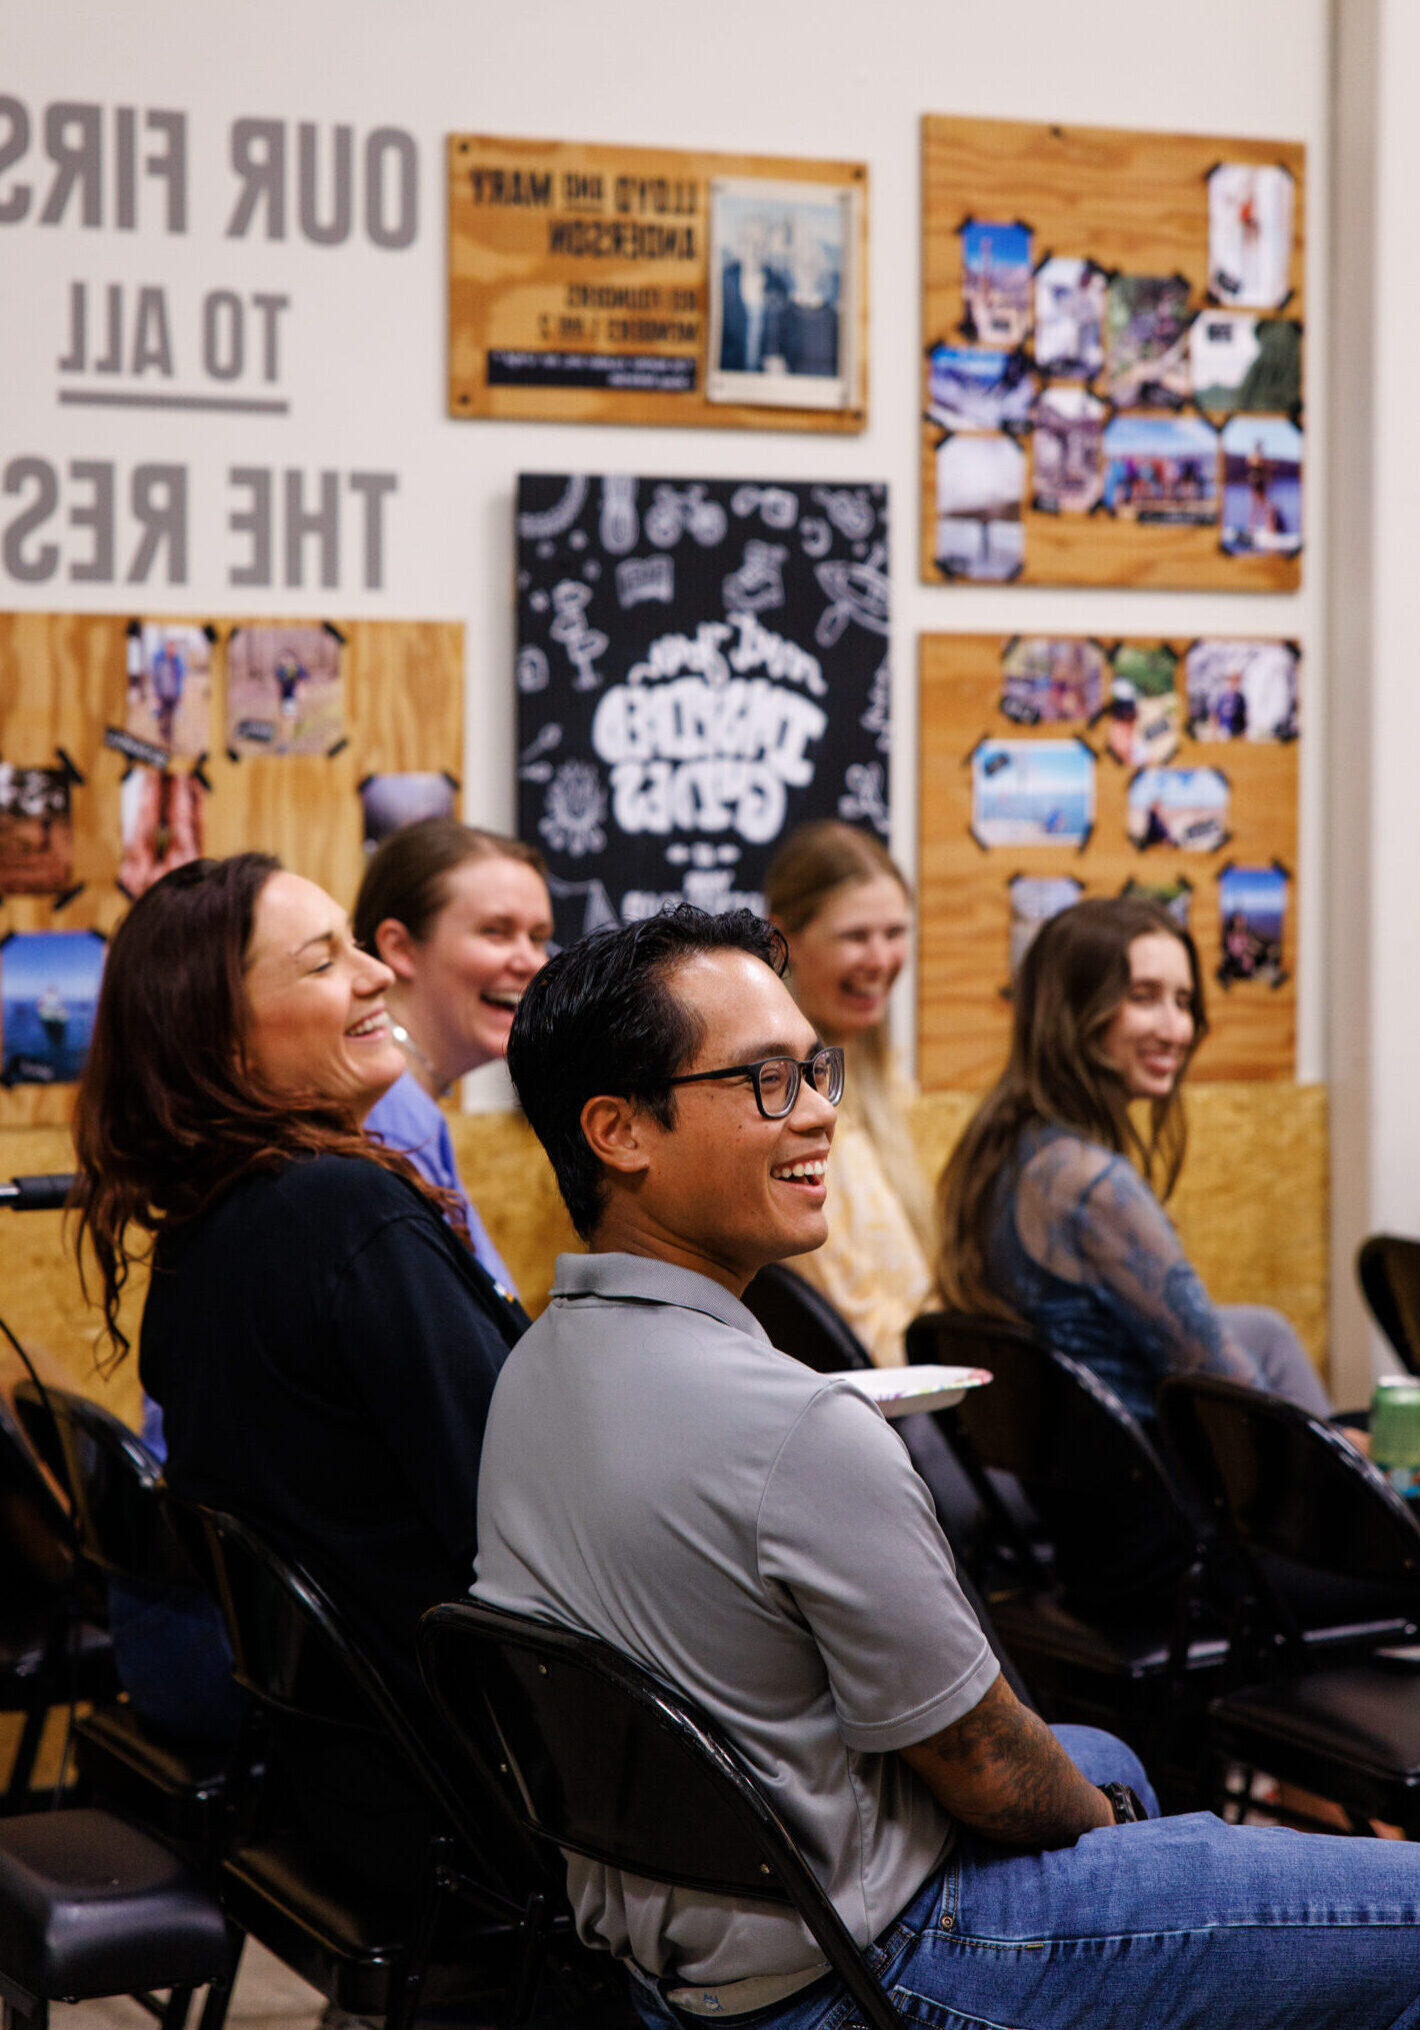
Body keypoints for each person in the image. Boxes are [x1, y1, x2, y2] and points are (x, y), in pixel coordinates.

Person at [474, 903, 1420, 2030]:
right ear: (620, 1130)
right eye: (766, 1080)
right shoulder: (796, 1427)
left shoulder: (530, 1370)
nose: (820, 1108)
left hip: (690, 1959)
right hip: (879, 1967)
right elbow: (988, 1768)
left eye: (813, 1068)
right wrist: (1126, 1847)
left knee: (1110, 1751)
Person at [70, 853, 526, 1736]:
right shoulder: (343, 1214)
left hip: (324, 1762)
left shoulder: (206, 1226)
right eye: (323, 964)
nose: (380, 974)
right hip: (449, 1780)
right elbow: (513, 1514)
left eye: (356, 946)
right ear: (223, 1043)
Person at [937, 894, 1330, 1430]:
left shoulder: (1005, 1142)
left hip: (1069, 1468)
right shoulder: (1092, 1185)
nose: (1176, 1030)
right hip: (1140, 1490)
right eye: (1144, 998)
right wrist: (1345, 1451)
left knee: (1267, 1330)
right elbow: (1232, 1388)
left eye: (1184, 1001)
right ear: (1075, 1010)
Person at [352, 818, 553, 1298]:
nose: (530, 961)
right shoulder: (380, 1114)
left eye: (538, 937)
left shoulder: (414, 1107)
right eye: (496, 932)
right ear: (399, 948)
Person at [765, 822, 934, 1368]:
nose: (881, 959)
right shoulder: (775, 1101)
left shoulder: (876, 1071)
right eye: (856, 936)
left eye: (894, 933)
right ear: (781, 941)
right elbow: (849, 1326)